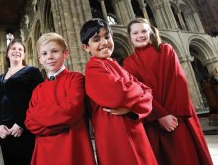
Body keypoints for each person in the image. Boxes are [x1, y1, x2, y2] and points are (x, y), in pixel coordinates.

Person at [123, 17, 213, 165]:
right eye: (135, 33)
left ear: (151, 32)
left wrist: (170, 115)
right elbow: (139, 93)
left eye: (144, 31)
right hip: (154, 119)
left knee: (186, 156)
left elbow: (177, 81)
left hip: (177, 117)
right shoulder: (128, 63)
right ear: (130, 37)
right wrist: (160, 115)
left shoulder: (166, 49)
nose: (140, 35)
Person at [80, 18, 157, 165]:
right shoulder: (93, 68)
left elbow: (148, 93)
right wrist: (136, 89)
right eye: (96, 39)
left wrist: (130, 105)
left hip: (135, 128)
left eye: (107, 36)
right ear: (86, 47)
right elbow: (119, 96)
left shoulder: (118, 66)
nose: (104, 42)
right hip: (115, 135)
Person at [24, 32, 96, 165]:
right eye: (44, 54)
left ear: (66, 53)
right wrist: (62, 125)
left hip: (73, 147)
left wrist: (44, 122)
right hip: (45, 153)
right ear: (40, 59)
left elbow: (72, 111)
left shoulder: (76, 79)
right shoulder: (38, 90)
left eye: (55, 51)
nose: (50, 57)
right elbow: (29, 122)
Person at [0, 38, 43, 165]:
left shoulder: (32, 72)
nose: (17, 51)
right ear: (7, 53)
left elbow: (39, 100)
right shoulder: (0, 79)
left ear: (24, 54)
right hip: (5, 134)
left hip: (25, 130)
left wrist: (21, 124)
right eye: (13, 48)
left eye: (20, 49)